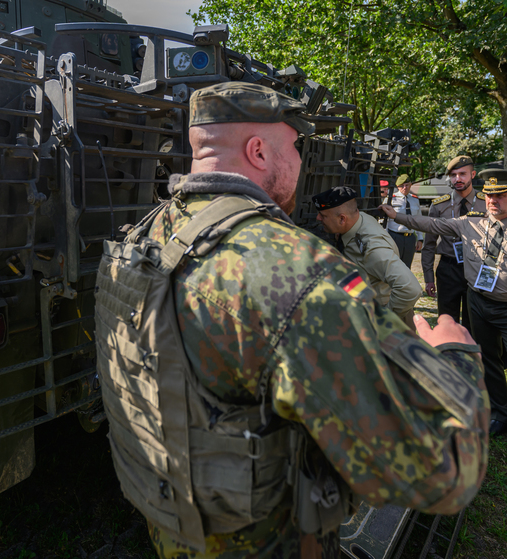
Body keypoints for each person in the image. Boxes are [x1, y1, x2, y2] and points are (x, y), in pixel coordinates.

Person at [95, 81, 489, 559]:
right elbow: (442, 471)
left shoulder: (149, 231)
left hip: (177, 525)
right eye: (297, 147)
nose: (302, 162)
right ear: (259, 150)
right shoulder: (296, 271)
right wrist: (454, 356)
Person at [382, 170, 507, 436]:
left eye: (501, 195)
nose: (493, 201)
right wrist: (396, 216)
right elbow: (432, 226)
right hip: (478, 300)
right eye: (489, 195)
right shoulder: (470, 222)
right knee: (489, 359)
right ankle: (499, 411)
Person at [312, 186, 421, 329]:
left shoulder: (372, 248)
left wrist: (383, 320)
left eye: (323, 215)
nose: (318, 218)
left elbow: (410, 288)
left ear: (342, 219)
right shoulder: (357, 219)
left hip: (385, 326)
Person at [421, 156, 486, 331]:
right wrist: (428, 277)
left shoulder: (486, 202)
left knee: (474, 322)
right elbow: (429, 244)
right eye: (453, 175)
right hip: (448, 269)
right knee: (447, 322)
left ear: (472, 174)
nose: (458, 179)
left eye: (462, 174)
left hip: (476, 268)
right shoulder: (439, 206)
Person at [386, 174, 423, 268]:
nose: (404, 187)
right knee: (393, 266)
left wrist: (420, 238)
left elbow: (418, 220)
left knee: (407, 267)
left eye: (407, 185)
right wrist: (385, 237)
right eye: (402, 186)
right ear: (398, 187)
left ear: (410, 185)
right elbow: (384, 220)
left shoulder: (415, 200)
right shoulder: (391, 199)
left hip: (410, 238)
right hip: (394, 236)